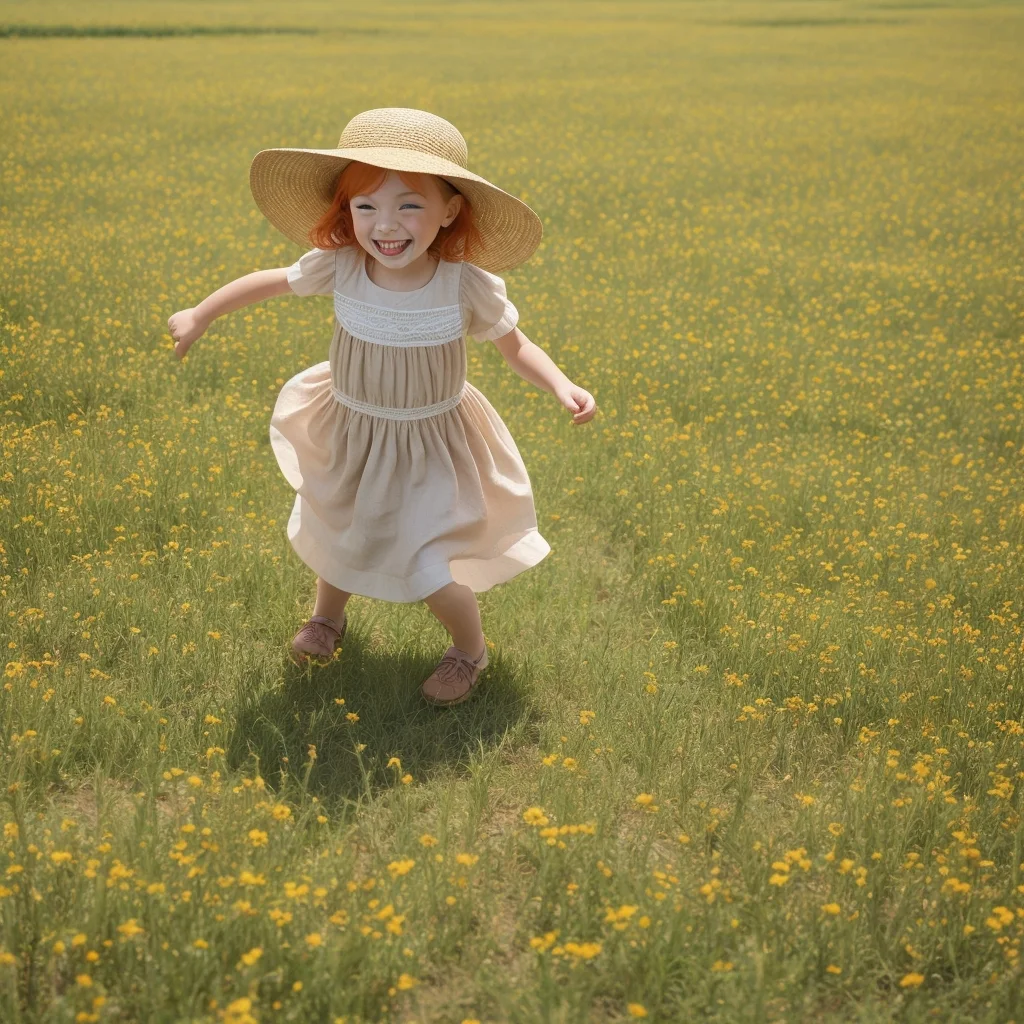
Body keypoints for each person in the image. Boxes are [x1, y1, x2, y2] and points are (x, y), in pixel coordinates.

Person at [167, 107, 596, 707]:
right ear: (346, 213)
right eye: (365, 207)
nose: (384, 224)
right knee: (343, 525)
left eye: (409, 206)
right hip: (354, 428)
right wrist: (201, 313)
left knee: (426, 558)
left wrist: (560, 384)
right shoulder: (343, 266)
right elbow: (269, 280)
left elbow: (515, 346)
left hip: (432, 442)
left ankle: (470, 650)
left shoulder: (463, 284)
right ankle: (328, 619)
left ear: (450, 211)